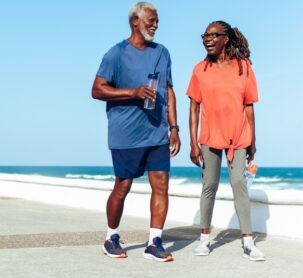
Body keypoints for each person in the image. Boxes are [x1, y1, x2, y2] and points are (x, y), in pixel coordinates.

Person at [91, 2, 180, 262]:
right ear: (135, 22)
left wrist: (174, 128)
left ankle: (154, 242)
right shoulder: (116, 54)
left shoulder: (162, 52)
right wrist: (133, 92)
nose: (155, 24)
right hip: (125, 134)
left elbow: (169, 91)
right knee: (123, 186)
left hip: (157, 132)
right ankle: (111, 237)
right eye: (151, 20)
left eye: (157, 20)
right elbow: (97, 90)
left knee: (161, 185)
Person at [186, 20, 265, 261]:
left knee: (239, 183)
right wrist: (193, 142)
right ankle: (204, 239)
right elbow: (194, 108)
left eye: (213, 35)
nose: (207, 39)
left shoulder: (244, 68)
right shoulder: (201, 69)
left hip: (239, 135)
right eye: (204, 36)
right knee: (209, 185)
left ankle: (249, 242)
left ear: (226, 38)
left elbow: (249, 106)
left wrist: (253, 138)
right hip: (210, 135)